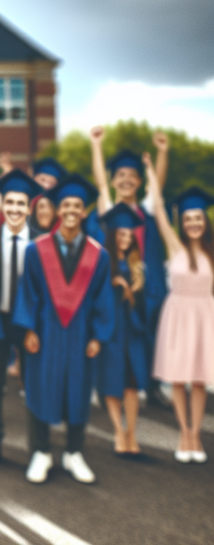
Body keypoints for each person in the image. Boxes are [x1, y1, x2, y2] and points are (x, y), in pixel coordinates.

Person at [12, 174, 114, 484]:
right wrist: (28, 329)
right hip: (45, 333)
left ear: (84, 211)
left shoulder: (99, 255)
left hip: (80, 334)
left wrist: (98, 335)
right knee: (39, 388)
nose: (71, 210)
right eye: (66, 205)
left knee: (78, 392)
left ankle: (74, 452)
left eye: (77, 205)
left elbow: (103, 298)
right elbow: (27, 291)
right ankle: (41, 452)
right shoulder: (36, 250)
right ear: (58, 210)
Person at [88, 129, 170, 407]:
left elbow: (158, 186)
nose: (126, 180)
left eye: (132, 176)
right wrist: (96, 146)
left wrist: (162, 152)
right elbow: (100, 184)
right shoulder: (109, 209)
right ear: (113, 181)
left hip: (147, 282)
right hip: (117, 282)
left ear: (140, 182)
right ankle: (110, 387)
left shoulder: (146, 209)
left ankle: (152, 387)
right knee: (114, 335)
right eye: (120, 176)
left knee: (151, 334)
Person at [144, 157, 214, 463]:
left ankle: (196, 435)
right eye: (188, 219)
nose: (193, 223)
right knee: (177, 378)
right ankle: (183, 433)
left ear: (205, 221)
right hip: (177, 316)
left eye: (198, 218)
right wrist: (151, 170)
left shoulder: (212, 253)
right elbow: (159, 209)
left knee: (198, 379)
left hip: (204, 317)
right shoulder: (175, 246)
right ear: (182, 224)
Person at [0, 168, 43, 468]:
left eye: (20, 203)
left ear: (29, 208)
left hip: (30, 324)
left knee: (33, 384)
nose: (15, 209)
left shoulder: (41, 242)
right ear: (2, 206)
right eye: (10, 203)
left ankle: (38, 447)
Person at [93, 203, 150, 457]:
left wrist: (132, 292)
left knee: (132, 384)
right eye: (121, 234)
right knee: (112, 382)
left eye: (129, 235)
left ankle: (132, 433)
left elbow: (147, 304)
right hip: (111, 332)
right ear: (112, 235)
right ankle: (118, 431)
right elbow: (95, 297)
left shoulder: (139, 267)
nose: (125, 239)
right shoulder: (103, 263)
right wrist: (113, 283)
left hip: (133, 332)